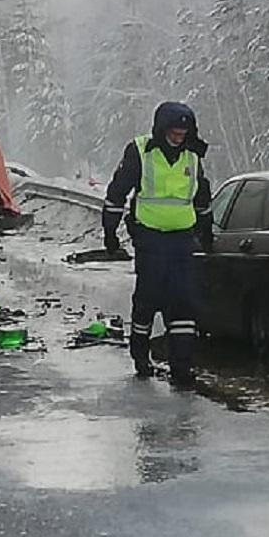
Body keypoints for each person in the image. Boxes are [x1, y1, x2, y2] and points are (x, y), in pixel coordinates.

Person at [103, 102, 212, 385]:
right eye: (174, 133)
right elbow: (117, 191)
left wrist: (206, 234)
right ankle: (141, 354)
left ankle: (182, 367)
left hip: (182, 239)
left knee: (183, 303)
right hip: (150, 238)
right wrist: (110, 231)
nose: (178, 138)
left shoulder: (193, 155)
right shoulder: (140, 151)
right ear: (162, 130)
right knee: (149, 298)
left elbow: (202, 198)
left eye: (183, 133)